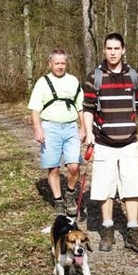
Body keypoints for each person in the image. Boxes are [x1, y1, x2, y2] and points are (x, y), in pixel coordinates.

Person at [83, 32, 138, 252]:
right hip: (104, 142)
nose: (112, 52)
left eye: (116, 48)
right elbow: (88, 109)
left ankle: (132, 231)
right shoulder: (94, 77)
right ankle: (107, 229)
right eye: (109, 48)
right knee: (105, 188)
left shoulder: (134, 77)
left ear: (123, 50)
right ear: (104, 50)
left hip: (129, 142)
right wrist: (88, 133)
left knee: (131, 187)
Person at [28, 48, 85, 216]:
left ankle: (70, 193)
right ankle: (58, 200)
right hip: (50, 128)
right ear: (50, 64)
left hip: (70, 127)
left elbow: (81, 107)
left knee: (74, 165)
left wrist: (83, 128)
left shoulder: (73, 81)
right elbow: (35, 109)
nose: (60, 66)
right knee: (53, 168)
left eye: (63, 63)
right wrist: (37, 128)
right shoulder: (42, 82)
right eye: (57, 63)